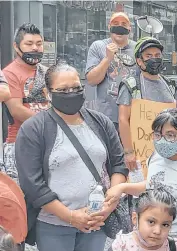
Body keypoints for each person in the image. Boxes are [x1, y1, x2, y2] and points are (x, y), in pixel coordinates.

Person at [15, 63, 129, 251]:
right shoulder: (33, 129)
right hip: (53, 226)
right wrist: (70, 216)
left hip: (96, 222)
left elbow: (118, 164)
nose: (71, 93)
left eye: (76, 88)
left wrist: (109, 204)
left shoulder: (101, 122)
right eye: (63, 90)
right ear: (47, 92)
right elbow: (32, 184)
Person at [105, 108, 177, 251]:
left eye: (170, 135)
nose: (162, 140)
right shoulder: (155, 158)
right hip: (150, 239)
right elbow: (152, 185)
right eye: (157, 135)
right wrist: (122, 187)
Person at [117, 37, 177, 171]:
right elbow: (123, 119)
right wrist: (128, 152)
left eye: (158, 55)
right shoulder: (130, 85)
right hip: (141, 153)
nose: (154, 59)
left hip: (168, 152)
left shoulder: (170, 86)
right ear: (139, 61)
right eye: (149, 56)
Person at [2, 23, 50, 184]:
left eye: (39, 43)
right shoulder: (9, 73)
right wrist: (50, 122)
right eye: (29, 44)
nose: (35, 48)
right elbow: (16, 110)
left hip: (48, 142)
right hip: (21, 143)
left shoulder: (47, 71)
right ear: (16, 47)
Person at [85, 12, 137, 131]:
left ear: (129, 28)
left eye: (124, 24)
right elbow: (92, 80)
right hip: (106, 117)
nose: (120, 27)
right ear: (109, 27)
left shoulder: (137, 48)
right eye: (115, 23)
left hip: (133, 115)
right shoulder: (98, 46)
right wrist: (108, 58)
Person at [111, 186, 177, 251]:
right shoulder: (121, 245)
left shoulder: (173, 247)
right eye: (151, 222)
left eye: (165, 225)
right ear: (135, 219)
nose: (157, 231)